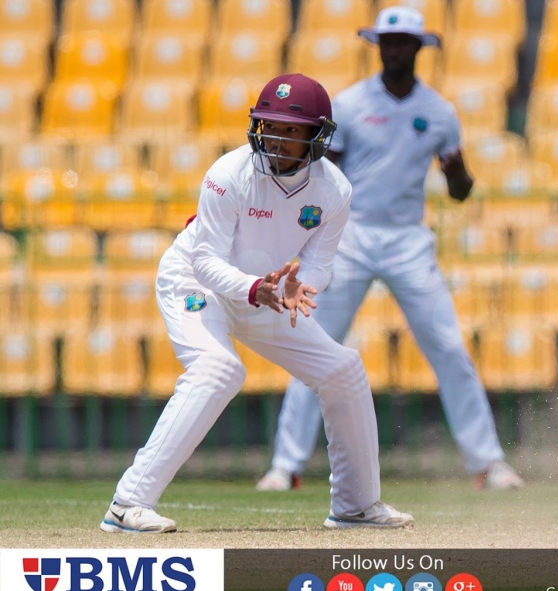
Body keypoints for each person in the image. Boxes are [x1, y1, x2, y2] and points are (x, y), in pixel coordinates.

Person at [101, 73, 413, 533]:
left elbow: (319, 263)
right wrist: (252, 289)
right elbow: (205, 260)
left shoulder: (335, 191)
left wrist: (301, 284)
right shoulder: (228, 175)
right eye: (270, 127)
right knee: (219, 369)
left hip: (265, 290)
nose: (276, 140)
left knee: (342, 369)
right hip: (196, 283)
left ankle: (356, 506)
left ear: (317, 136)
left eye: (291, 130)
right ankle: (127, 504)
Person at [257, 6, 523, 493]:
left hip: (408, 239)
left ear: (419, 48)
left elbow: (460, 191)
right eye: (388, 42)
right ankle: (285, 465)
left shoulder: (439, 112)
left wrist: (458, 171)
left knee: (448, 347)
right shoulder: (351, 104)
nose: (395, 50)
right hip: (351, 234)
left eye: (403, 42)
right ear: (377, 46)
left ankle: (488, 463)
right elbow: (325, 177)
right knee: (315, 344)